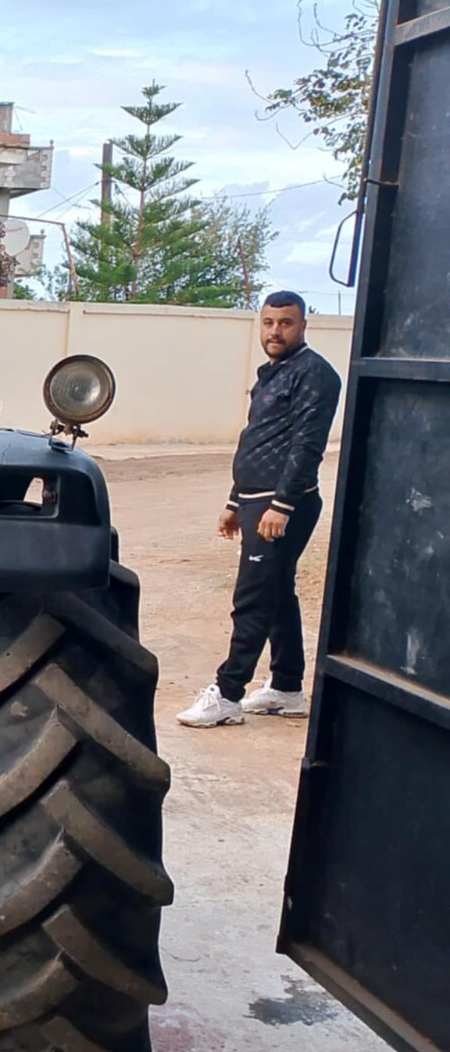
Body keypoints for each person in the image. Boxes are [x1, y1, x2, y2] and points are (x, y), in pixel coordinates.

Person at [178, 291, 343, 729]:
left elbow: (307, 444)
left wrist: (282, 504)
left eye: (285, 323)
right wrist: (234, 502)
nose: (275, 331)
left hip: (282, 504)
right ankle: (287, 687)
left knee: (252, 598)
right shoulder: (272, 373)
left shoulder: (315, 374)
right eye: (268, 322)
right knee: (277, 591)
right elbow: (257, 439)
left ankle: (228, 694)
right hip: (255, 501)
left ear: (304, 325)